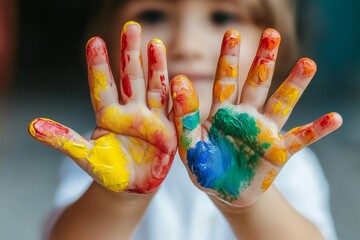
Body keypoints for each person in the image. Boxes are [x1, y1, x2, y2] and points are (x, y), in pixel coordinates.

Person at [28, 0, 343, 239]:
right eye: (153, 14)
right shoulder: (101, 154)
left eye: (222, 16)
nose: (186, 45)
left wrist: (247, 203)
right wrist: (117, 198)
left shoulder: (285, 165)